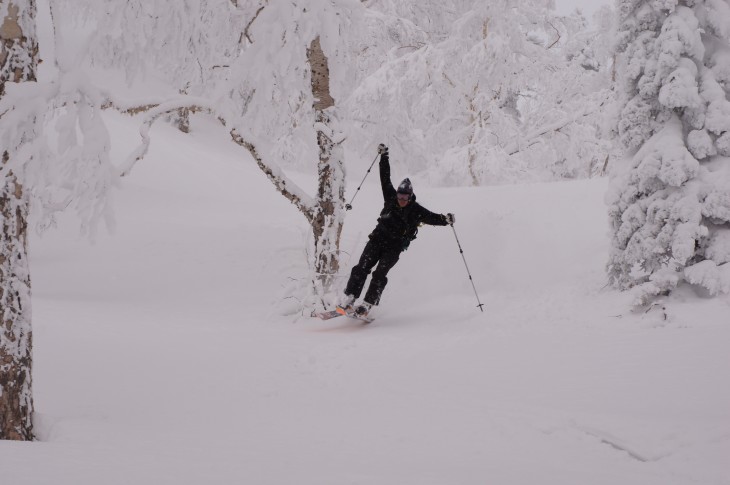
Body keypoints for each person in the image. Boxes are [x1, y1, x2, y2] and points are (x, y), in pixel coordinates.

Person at [340, 144, 455, 317]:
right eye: (400, 196)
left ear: (410, 196)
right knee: (361, 267)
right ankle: (350, 298)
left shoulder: (416, 210)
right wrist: (384, 156)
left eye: (404, 197)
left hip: (394, 247)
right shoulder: (390, 198)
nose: (401, 199)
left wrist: (446, 220)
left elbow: (433, 218)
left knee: (379, 274)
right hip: (376, 240)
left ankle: (367, 304)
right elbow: (384, 177)